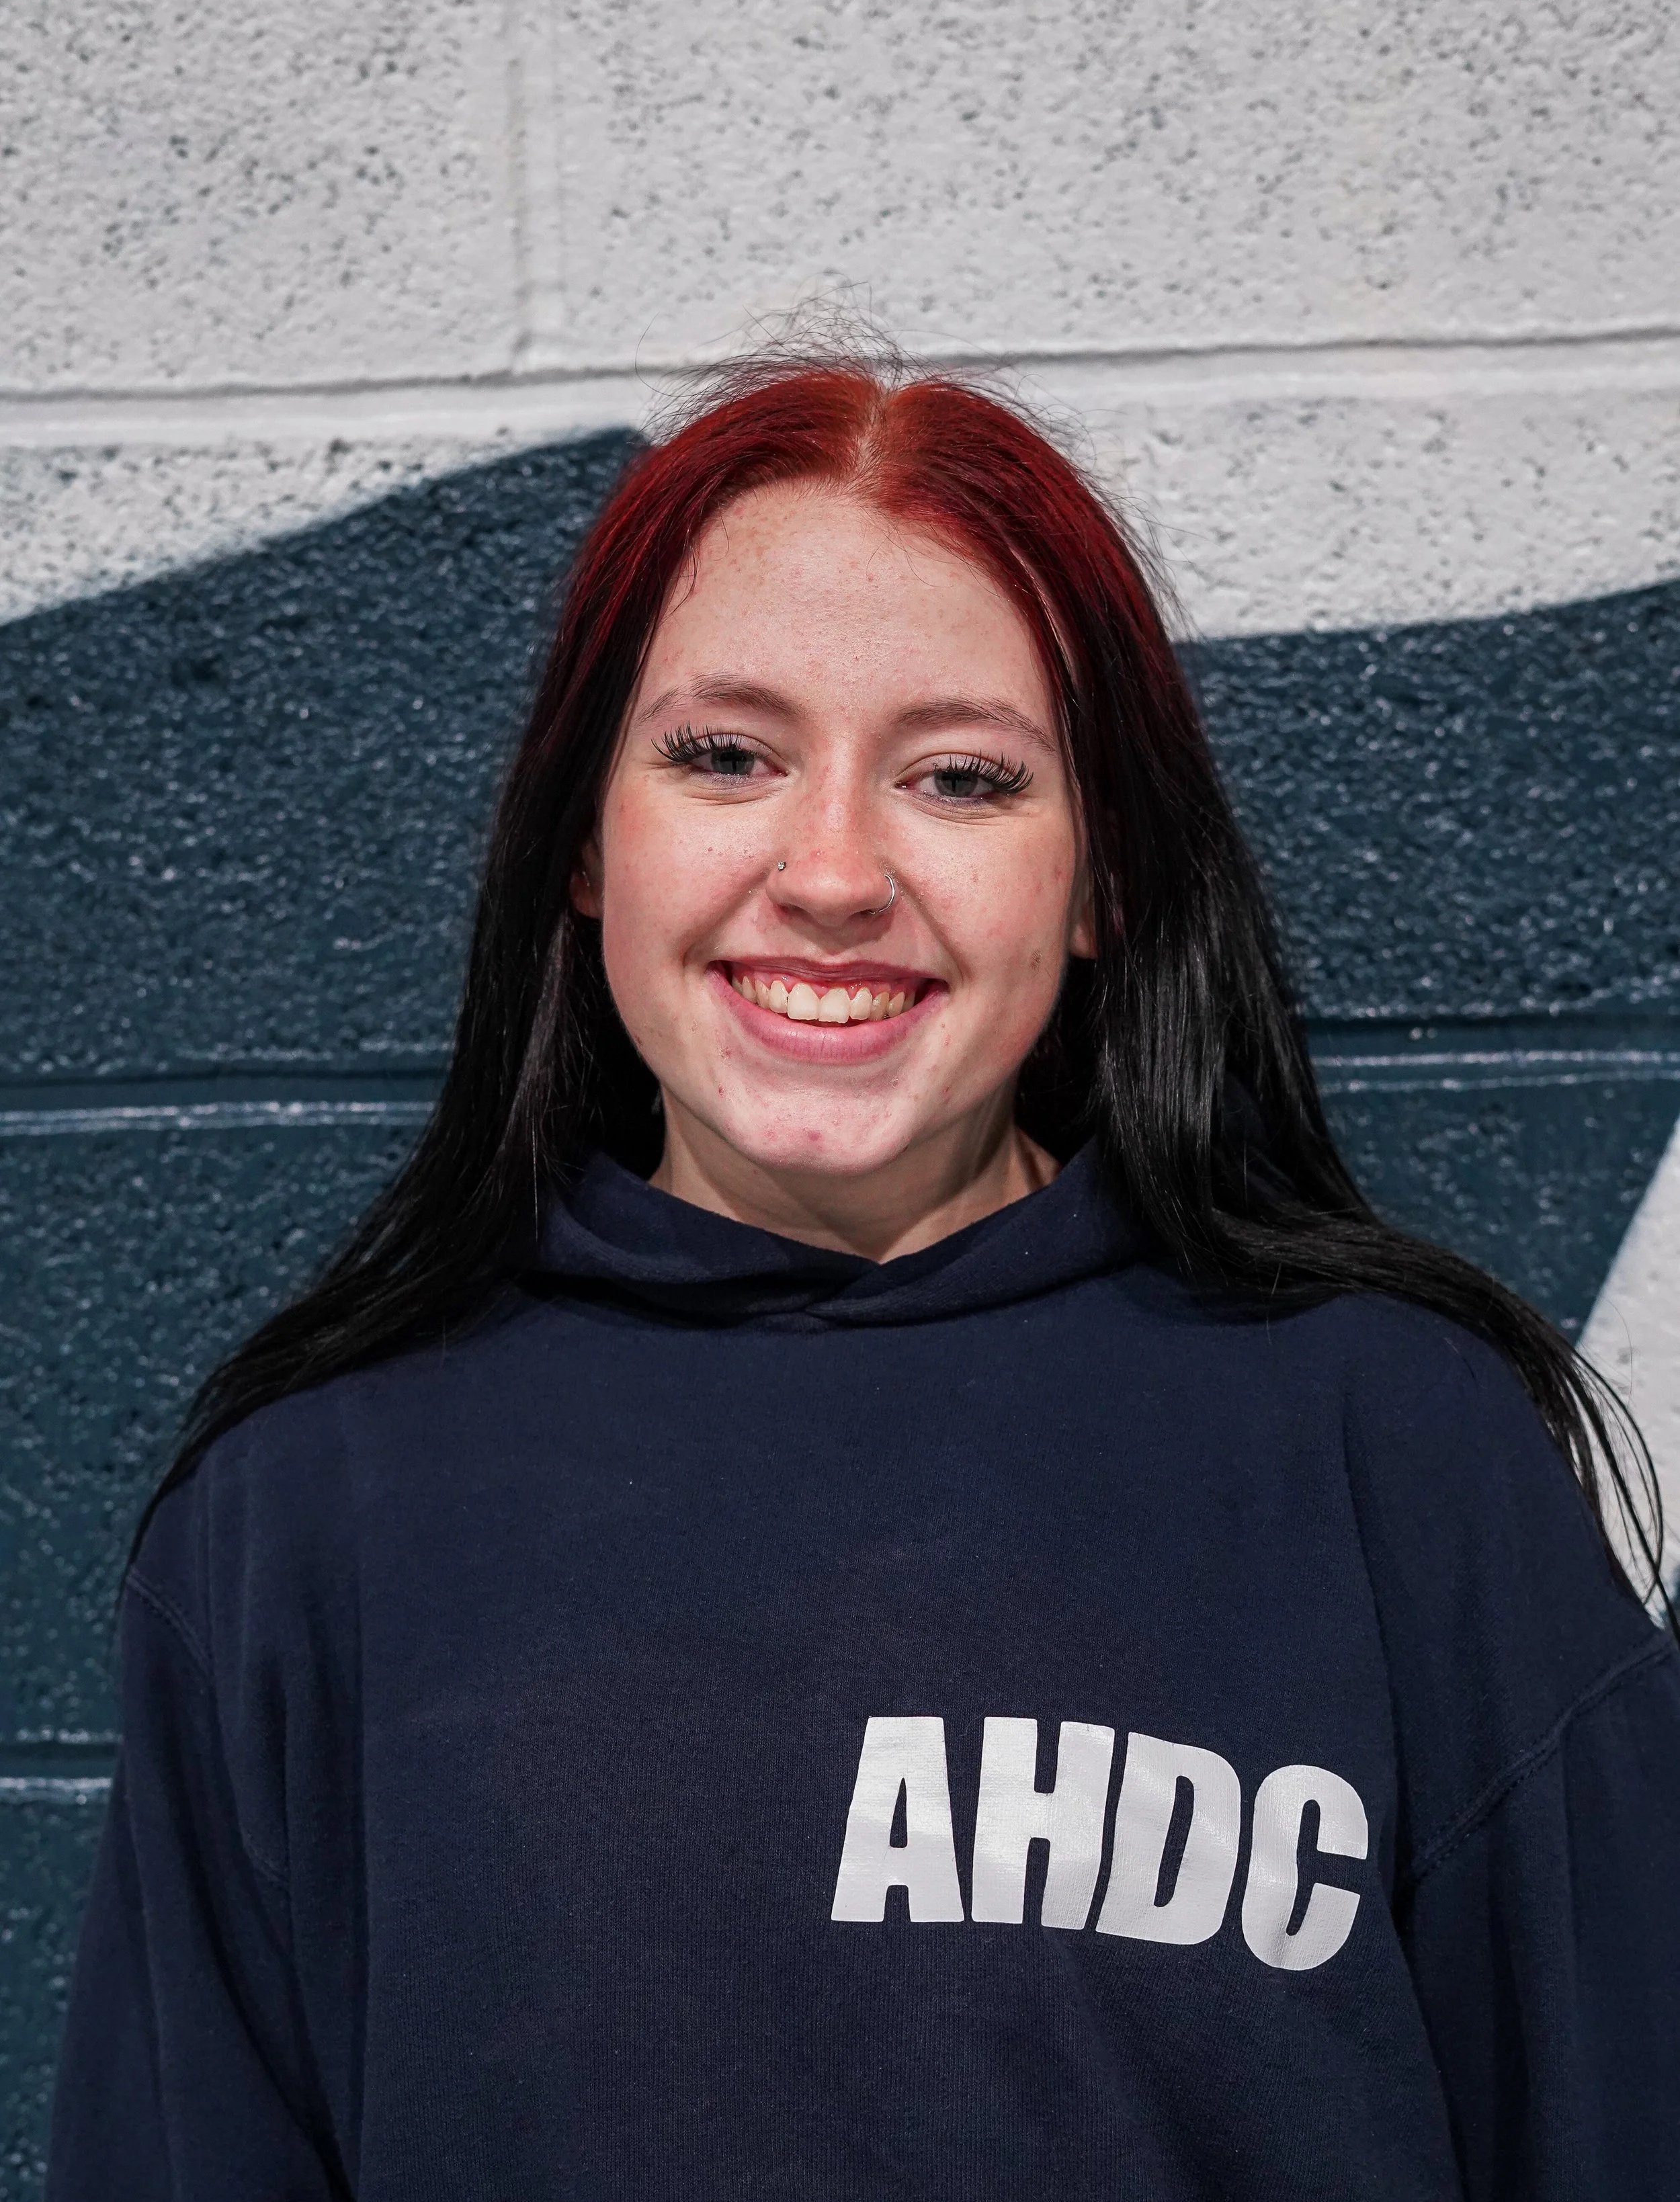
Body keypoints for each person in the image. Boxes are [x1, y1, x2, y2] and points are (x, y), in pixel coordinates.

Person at [48, 354, 1680, 2201]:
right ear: (587, 838)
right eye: (725, 756)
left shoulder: (1394, 1450)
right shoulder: (299, 1522)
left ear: (1100, 882)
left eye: (960, 777)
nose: (830, 873)